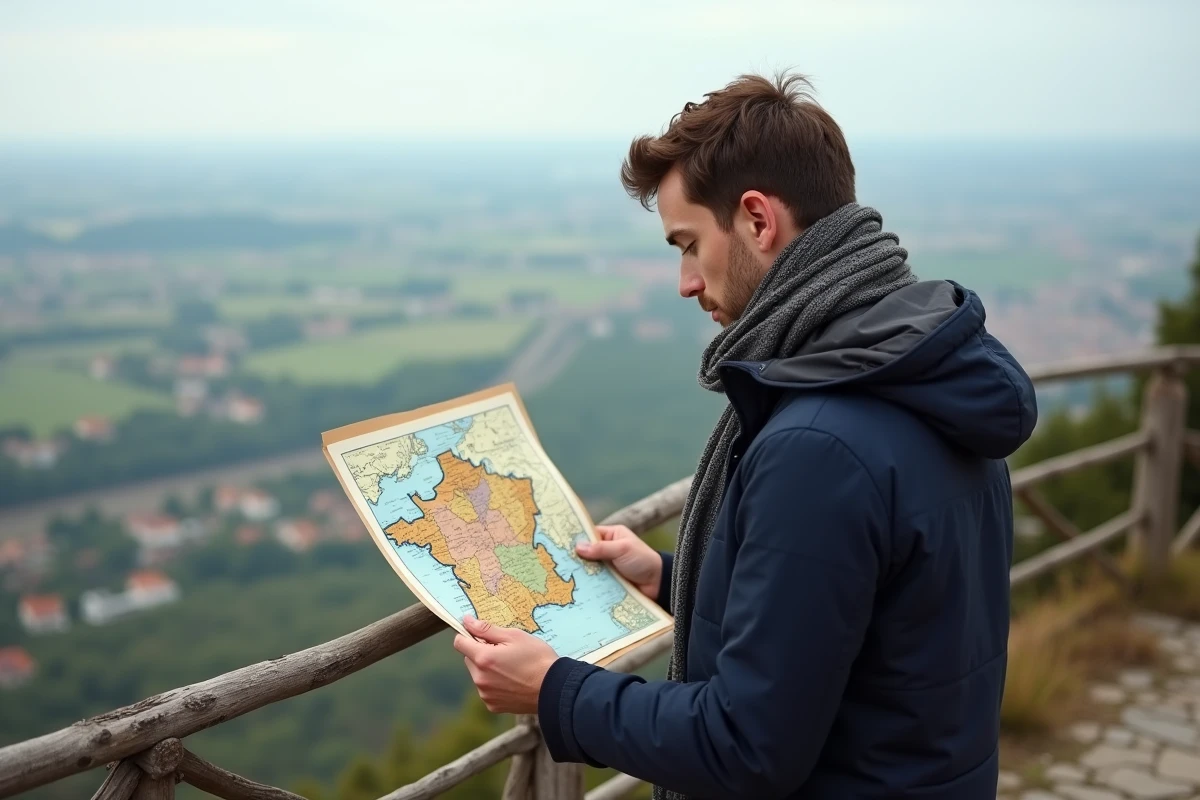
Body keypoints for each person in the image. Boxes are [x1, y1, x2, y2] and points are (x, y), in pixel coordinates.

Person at [454, 71, 1038, 799]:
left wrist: (552, 690)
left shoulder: (821, 443)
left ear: (758, 221)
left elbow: (746, 746)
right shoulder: (928, 378)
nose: (685, 282)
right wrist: (673, 580)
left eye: (687, 243)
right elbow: (850, 620)